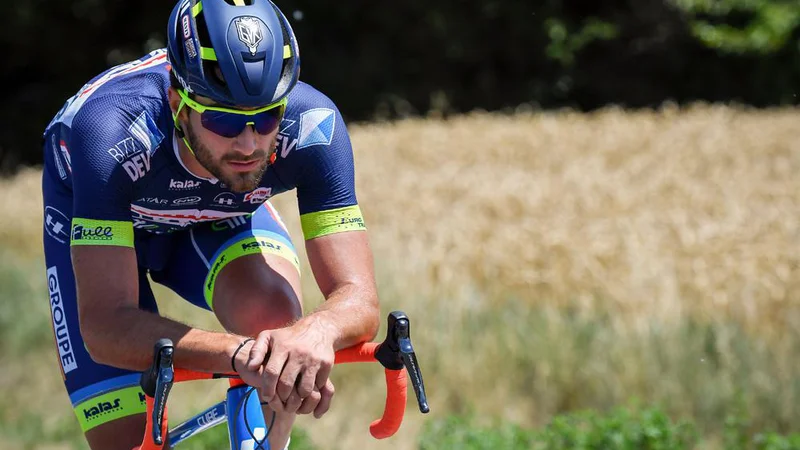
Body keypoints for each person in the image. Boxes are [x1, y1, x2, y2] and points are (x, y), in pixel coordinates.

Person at [41, 0, 380, 448]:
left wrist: (310, 335)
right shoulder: (112, 131)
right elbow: (105, 326)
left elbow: (359, 299)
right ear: (177, 105)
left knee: (275, 321)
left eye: (266, 119)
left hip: (214, 213)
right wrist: (239, 355)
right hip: (96, 210)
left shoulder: (314, 125)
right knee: (123, 440)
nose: (249, 143)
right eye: (222, 119)